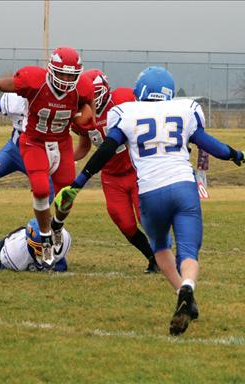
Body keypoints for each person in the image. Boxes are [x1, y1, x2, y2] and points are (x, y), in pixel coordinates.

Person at [55, 66, 245, 336]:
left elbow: (105, 150)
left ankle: (182, 293)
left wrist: (78, 184)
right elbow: (208, 143)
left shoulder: (127, 112)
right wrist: (236, 154)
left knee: (161, 249)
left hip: (150, 192)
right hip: (183, 187)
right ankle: (188, 288)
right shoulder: (184, 111)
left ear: (143, 91)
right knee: (188, 252)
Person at [0, 46, 95, 265]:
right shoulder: (33, 81)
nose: (67, 79)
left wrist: (89, 118)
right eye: (62, 73)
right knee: (40, 190)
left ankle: (57, 225)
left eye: (72, 75)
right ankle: (46, 238)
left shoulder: (82, 87)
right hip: (34, 142)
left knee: (68, 192)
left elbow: (89, 104)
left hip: (61, 142)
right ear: (51, 70)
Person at [72, 69, 158, 274]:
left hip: (136, 170)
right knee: (125, 223)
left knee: (147, 217)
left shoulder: (123, 99)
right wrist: (66, 159)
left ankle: (166, 256)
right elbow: (84, 145)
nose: (91, 99)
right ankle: (152, 258)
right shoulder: (83, 115)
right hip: (111, 177)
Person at [0, 203, 70, 272]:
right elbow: (3, 266)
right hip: (9, 244)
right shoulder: (15, 254)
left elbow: (61, 262)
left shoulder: (63, 238)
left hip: (26, 238)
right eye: (40, 247)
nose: (46, 252)